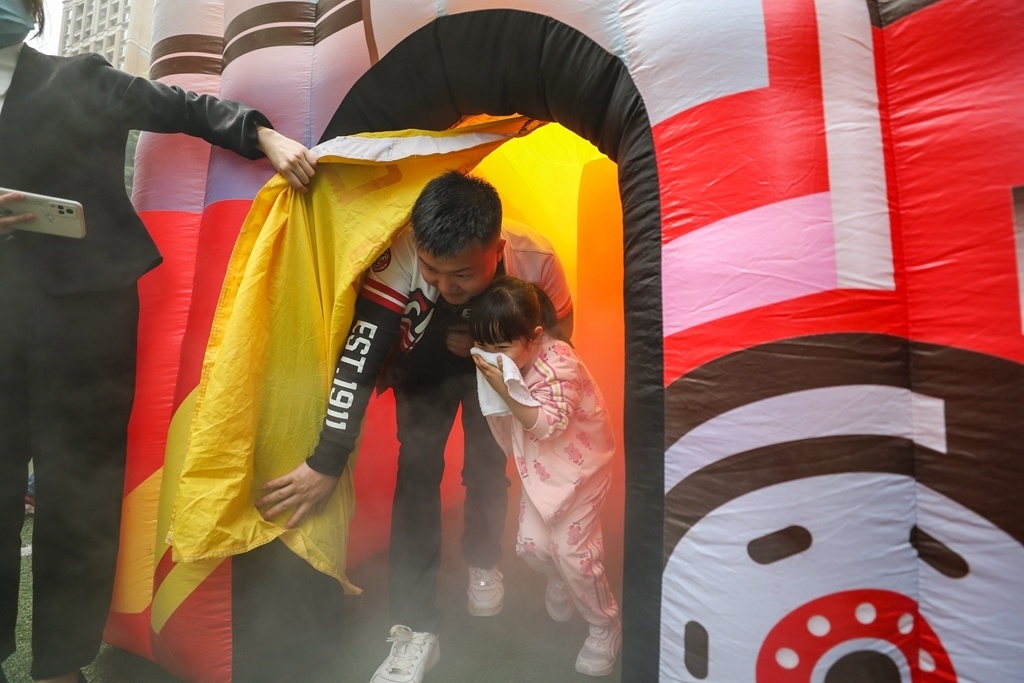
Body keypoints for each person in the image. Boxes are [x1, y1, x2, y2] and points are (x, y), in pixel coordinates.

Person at [0, 1, 318, 681]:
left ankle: (60, 663)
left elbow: (177, 105)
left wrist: (260, 134)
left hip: (84, 313)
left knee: (77, 492)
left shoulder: (75, 77)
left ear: (32, 13)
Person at [256, 171, 573, 683]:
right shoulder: (401, 251)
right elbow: (359, 358)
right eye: (432, 270)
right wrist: (327, 460)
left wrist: (487, 348)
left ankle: (483, 559)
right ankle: (415, 624)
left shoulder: (538, 260)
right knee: (417, 474)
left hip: (496, 371)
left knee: (487, 468)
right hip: (421, 367)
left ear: (497, 250)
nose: (444, 286)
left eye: (462, 274)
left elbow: (557, 351)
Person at [469, 276, 621, 677]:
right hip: (542, 469)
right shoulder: (509, 356)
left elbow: (547, 425)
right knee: (532, 547)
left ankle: (604, 625)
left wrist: (505, 390)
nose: (491, 358)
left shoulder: (560, 365)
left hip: (583, 471)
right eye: (483, 346)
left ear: (535, 337)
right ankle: (563, 578)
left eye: (501, 348)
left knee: (574, 554)